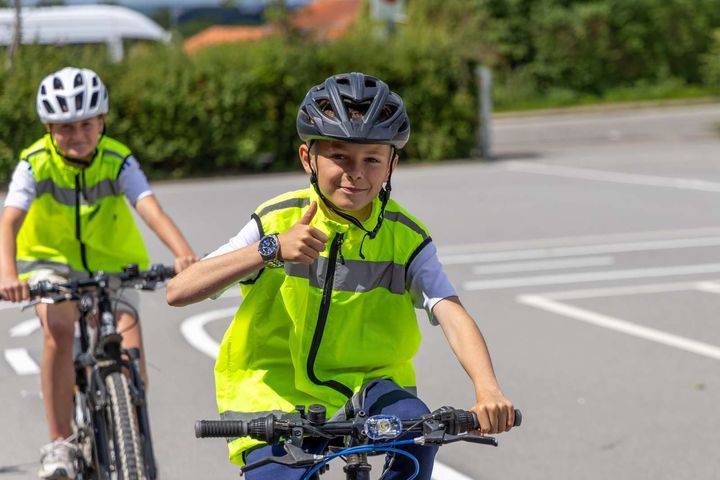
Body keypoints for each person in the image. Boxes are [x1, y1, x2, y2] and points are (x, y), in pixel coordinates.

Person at [167, 72, 515, 479]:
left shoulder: (406, 238)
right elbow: (179, 290)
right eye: (340, 157)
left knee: (420, 440)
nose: (356, 173)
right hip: (276, 399)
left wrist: (487, 389)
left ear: (391, 165)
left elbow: (451, 312)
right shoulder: (276, 219)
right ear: (307, 158)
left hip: (371, 392)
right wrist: (271, 249)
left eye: (372, 159)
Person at [0, 67, 197, 479]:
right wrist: (8, 274)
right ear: (48, 128)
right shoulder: (33, 164)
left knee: (131, 354)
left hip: (113, 265)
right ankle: (60, 444)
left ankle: (130, 435)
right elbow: (10, 220)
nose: (77, 135)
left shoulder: (118, 159)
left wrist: (184, 255)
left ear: (102, 121)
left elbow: (149, 206)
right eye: (65, 127)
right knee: (60, 326)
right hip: (49, 264)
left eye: (86, 124)